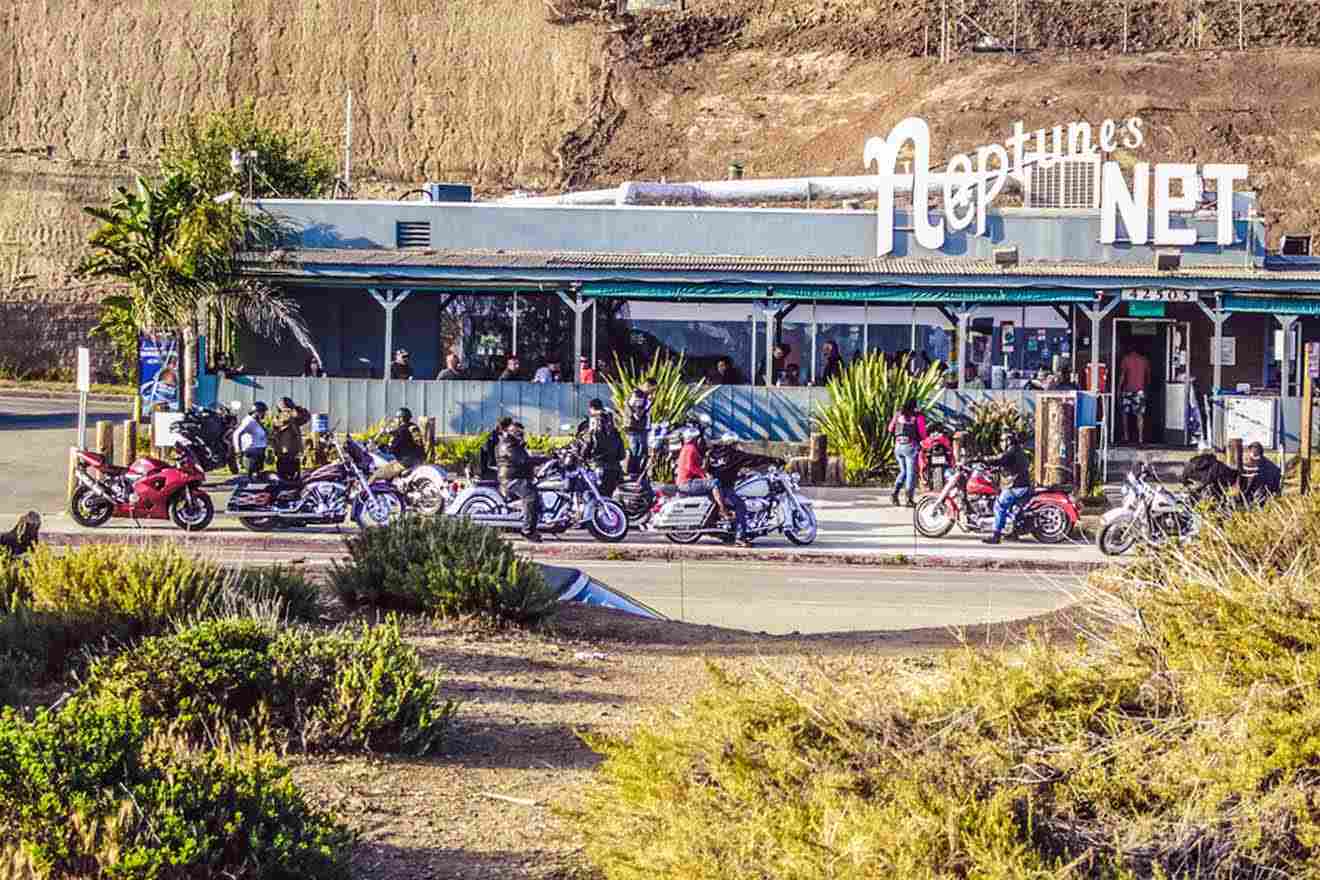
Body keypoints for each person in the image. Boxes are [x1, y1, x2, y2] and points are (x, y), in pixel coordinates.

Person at [981, 429, 1033, 545]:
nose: (1001, 443)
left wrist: (983, 459)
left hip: (1016, 485)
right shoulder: (1018, 451)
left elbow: (999, 459)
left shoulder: (1011, 451)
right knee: (1010, 509)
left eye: (1003, 440)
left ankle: (996, 535)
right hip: (1022, 484)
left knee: (999, 506)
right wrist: (996, 469)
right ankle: (1013, 533)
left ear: (1008, 441)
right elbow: (1008, 465)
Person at [497, 422, 542, 542]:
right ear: (512, 433)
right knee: (531, 496)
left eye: (522, 433)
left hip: (519, 476)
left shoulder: (515, 444)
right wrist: (544, 459)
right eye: (519, 433)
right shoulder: (507, 445)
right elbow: (522, 460)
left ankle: (534, 525)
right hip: (511, 478)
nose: (521, 436)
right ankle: (527, 531)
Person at [675, 426, 729, 523]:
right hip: (687, 483)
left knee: (710, 485)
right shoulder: (691, 449)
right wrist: (704, 475)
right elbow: (690, 467)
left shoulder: (686, 448)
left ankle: (712, 514)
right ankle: (723, 510)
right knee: (714, 483)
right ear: (695, 439)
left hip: (685, 481)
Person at [577, 398, 626, 496]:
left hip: (599, 469)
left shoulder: (594, 427)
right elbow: (622, 455)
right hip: (616, 470)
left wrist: (581, 457)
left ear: (591, 408)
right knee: (609, 500)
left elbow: (587, 447)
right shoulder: (614, 430)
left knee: (592, 497)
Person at [887, 399, 928, 507]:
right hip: (910, 446)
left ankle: (894, 494)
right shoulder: (918, 416)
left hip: (898, 446)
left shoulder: (898, 414)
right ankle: (909, 499)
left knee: (903, 472)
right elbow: (922, 433)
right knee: (911, 473)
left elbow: (890, 428)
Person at [270, 397, 311, 481]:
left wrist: (298, 409)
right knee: (284, 478)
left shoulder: (293, 418)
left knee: (295, 477)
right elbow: (284, 419)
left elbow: (306, 417)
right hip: (284, 452)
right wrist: (291, 410)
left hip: (294, 452)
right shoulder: (279, 417)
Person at [1118, 347, 1152, 445]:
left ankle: (1126, 436)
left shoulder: (1126, 359)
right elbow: (1148, 377)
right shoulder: (1144, 360)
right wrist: (1147, 389)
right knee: (1140, 415)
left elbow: (1123, 376)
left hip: (1128, 390)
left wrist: (1118, 389)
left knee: (1124, 414)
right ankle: (1140, 438)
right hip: (1140, 391)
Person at [623, 379, 655, 478]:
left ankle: (635, 472)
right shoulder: (638, 395)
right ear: (648, 386)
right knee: (637, 451)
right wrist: (649, 402)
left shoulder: (639, 394)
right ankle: (634, 472)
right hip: (636, 428)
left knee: (638, 450)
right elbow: (638, 414)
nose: (652, 392)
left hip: (636, 427)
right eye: (652, 389)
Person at [233, 401, 269, 478]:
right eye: (263, 412)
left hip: (259, 451)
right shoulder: (249, 421)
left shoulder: (256, 421)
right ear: (257, 412)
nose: (264, 414)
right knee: (252, 476)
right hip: (252, 452)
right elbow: (236, 433)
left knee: (258, 476)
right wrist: (238, 449)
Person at [1241, 442, 1282, 507]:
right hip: (1266, 495)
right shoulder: (1270, 464)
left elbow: (1248, 485)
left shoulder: (1255, 465)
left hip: (1260, 496)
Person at [479, 416, 515, 480]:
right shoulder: (494, 439)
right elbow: (493, 460)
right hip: (492, 471)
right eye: (511, 428)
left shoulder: (500, 437)